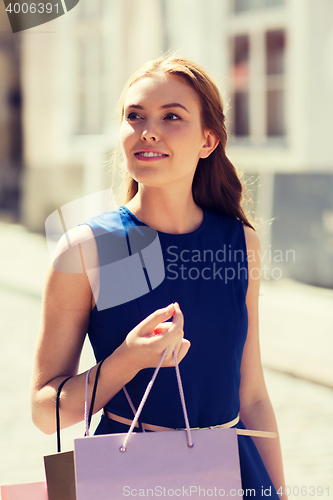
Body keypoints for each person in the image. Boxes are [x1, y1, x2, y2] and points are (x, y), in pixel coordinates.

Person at [31, 55, 287, 499]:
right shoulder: (87, 248)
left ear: (209, 140)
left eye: (172, 116)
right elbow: (44, 411)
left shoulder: (240, 243)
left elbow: (253, 395)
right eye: (135, 116)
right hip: (131, 479)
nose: (148, 130)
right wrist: (127, 359)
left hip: (237, 476)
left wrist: (280, 492)